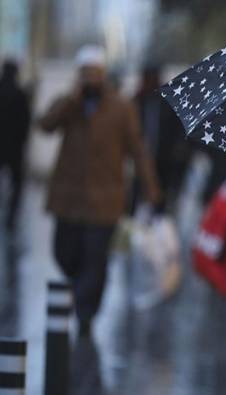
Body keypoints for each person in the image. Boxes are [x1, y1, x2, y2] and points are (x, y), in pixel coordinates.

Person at [39, 45, 161, 337]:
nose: (90, 78)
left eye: (95, 73)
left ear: (104, 74)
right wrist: (71, 99)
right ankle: (78, 290)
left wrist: (151, 189)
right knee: (63, 253)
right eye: (85, 73)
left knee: (95, 261)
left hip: (105, 202)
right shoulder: (70, 104)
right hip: (68, 200)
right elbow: (45, 125)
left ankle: (85, 314)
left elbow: (138, 150)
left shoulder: (121, 107)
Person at [132, 65, 189, 211]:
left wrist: (176, 151)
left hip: (164, 160)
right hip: (140, 161)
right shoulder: (136, 101)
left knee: (160, 201)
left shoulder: (168, 101)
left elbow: (178, 130)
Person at [0, 60, 31, 233]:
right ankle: (11, 218)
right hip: (15, 148)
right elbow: (26, 122)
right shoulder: (20, 94)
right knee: (17, 184)